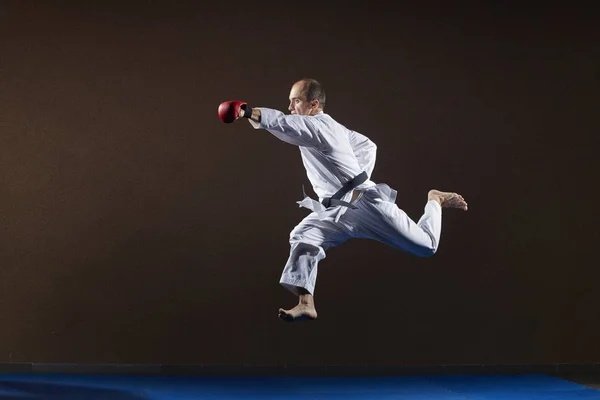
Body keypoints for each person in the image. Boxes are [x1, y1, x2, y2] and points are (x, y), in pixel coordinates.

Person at [217, 78, 468, 322]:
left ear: (313, 105)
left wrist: (247, 111)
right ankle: (306, 303)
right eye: (290, 103)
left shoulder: (315, 126)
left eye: (296, 102)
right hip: (336, 210)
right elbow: (368, 146)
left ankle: (434, 199)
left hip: (365, 204)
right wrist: (353, 175)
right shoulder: (333, 128)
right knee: (303, 236)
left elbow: (284, 123)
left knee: (426, 246)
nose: (291, 108)